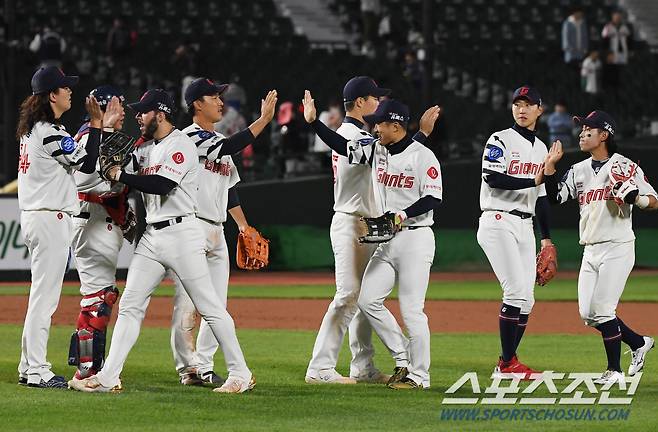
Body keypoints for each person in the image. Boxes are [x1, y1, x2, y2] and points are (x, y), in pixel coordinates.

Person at [68, 88, 274, 394]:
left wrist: (121, 176)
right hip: (152, 236)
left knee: (209, 306)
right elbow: (107, 177)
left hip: (182, 234)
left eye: (144, 112)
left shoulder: (182, 144)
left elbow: (162, 184)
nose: (138, 117)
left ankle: (240, 372)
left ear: (160, 114)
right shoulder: (145, 149)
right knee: (130, 306)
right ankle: (109, 375)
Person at [305, 94, 442, 389]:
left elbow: (433, 197)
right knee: (366, 299)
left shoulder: (423, 155)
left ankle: (419, 376)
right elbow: (344, 146)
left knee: (411, 309)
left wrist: (402, 215)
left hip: (415, 237)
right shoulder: (377, 149)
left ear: (396, 124)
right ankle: (405, 357)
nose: (375, 128)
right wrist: (314, 122)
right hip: (385, 238)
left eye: (380, 123)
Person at [171, 78, 276, 387]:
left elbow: (230, 190)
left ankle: (203, 365)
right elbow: (232, 145)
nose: (220, 101)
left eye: (220, 96)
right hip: (190, 226)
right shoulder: (188, 138)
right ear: (196, 104)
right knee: (188, 303)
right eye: (213, 96)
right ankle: (188, 368)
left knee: (217, 305)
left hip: (217, 228)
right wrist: (264, 120)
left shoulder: (216, 140)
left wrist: (243, 225)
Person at [542, 111, 657, 385]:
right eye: (581, 129)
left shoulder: (624, 166)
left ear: (604, 135)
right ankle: (639, 342)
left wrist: (637, 198)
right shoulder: (579, 170)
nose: (581, 133)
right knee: (588, 314)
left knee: (604, 310)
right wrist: (549, 167)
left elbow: (654, 200)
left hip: (618, 246)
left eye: (588, 130)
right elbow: (555, 197)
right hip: (590, 250)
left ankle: (614, 370)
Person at [16, 66, 103, 388]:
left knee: (40, 296)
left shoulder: (32, 130)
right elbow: (88, 163)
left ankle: (29, 367)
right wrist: (96, 125)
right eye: (65, 88)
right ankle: (37, 370)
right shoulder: (49, 131)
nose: (70, 92)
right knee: (44, 299)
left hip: (40, 216)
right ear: (52, 94)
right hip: (49, 218)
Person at [303, 77, 393, 385]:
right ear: (359, 102)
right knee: (347, 296)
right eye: (375, 98)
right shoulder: (349, 133)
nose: (379, 103)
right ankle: (320, 367)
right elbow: (351, 148)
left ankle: (363, 365)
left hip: (366, 222)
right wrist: (316, 125)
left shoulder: (361, 133)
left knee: (365, 297)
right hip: (350, 222)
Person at [476, 86, 554, 379]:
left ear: (539, 110)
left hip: (525, 224)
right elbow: (492, 177)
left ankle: (507, 361)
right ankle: (508, 365)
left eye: (528, 104)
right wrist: (534, 179)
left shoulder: (541, 148)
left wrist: (546, 240)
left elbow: (542, 196)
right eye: (517, 104)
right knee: (515, 292)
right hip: (498, 220)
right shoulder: (500, 139)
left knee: (528, 299)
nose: (522, 109)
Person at [68, 86, 127, 381]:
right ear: (103, 109)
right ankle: (86, 372)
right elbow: (82, 179)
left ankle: (90, 366)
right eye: (118, 105)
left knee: (100, 297)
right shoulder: (89, 135)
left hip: (100, 222)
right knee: (98, 300)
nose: (124, 110)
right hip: (90, 220)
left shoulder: (101, 135)